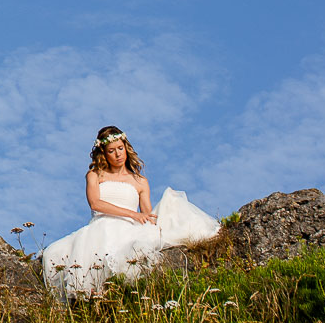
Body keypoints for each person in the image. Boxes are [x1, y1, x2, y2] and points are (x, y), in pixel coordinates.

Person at [39, 126, 221, 300]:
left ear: (126, 148)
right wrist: (132, 214)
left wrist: (148, 220)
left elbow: (147, 213)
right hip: (100, 227)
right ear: (104, 153)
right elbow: (95, 204)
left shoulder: (140, 181)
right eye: (111, 150)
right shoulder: (95, 175)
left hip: (129, 229)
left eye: (120, 148)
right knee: (54, 253)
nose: (118, 154)